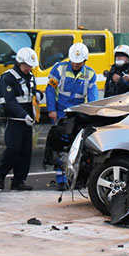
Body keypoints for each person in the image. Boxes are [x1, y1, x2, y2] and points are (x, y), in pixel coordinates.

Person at [45, 42, 99, 190]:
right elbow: (50, 89)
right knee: (60, 145)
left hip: (78, 114)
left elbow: (92, 96)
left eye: (79, 62)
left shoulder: (90, 74)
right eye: (73, 61)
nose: (75, 64)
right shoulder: (59, 68)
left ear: (85, 60)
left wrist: (91, 114)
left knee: (77, 147)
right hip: (61, 112)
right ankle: (61, 178)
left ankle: (74, 177)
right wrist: (51, 109)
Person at [0, 47, 40, 191]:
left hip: (28, 118)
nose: (29, 68)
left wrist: (38, 95)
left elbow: (31, 93)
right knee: (13, 149)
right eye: (27, 66)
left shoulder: (30, 76)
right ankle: (0, 175)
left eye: (30, 66)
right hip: (14, 118)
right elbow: (10, 100)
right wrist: (23, 115)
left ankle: (19, 181)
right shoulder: (8, 77)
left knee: (26, 151)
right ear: (19, 62)